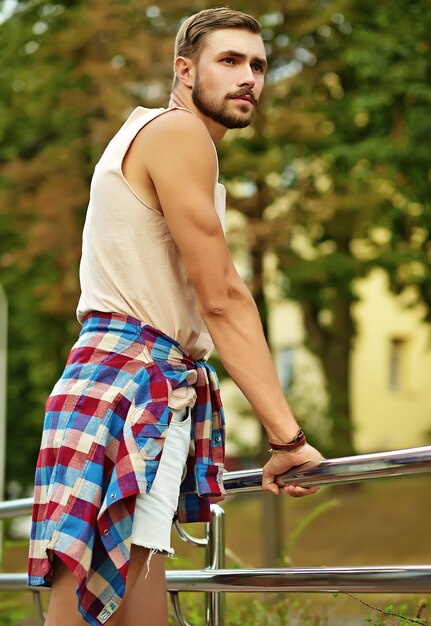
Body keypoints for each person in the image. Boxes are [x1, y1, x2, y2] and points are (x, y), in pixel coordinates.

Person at [28, 7, 324, 626]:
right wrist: (286, 439)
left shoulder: (154, 138)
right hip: (130, 388)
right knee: (82, 612)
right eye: (230, 61)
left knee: (128, 609)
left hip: (124, 386)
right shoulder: (178, 135)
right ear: (184, 70)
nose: (249, 77)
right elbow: (222, 298)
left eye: (259, 65)